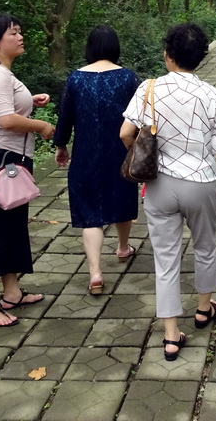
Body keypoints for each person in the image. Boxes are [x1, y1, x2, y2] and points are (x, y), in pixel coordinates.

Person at [120, 23, 216, 361]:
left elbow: (125, 132)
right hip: (201, 182)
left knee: (166, 259)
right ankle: (204, 310)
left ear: (168, 55)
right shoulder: (212, 94)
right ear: (200, 57)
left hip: (160, 184)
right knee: (205, 248)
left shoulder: (149, 88)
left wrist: (146, 153)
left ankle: (171, 335)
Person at [0, 13, 56, 327]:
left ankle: (12, 292)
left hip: (10, 158)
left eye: (20, 32)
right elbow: (6, 120)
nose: (20, 37)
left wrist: (30, 101)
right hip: (1, 159)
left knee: (14, 224)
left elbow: (2, 109)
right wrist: (42, 125)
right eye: (13, 33)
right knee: (1, 227)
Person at [54, 25, 141, 295]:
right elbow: (139, 116)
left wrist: (60, 145)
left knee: (90, 213)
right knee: (122, 198)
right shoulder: (128, 78)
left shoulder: (75, 79)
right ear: (115, 47)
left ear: (89, 47)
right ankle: (124, 247)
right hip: (120, 152)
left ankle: (95, 273)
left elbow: (65, 117)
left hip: (85, 154)